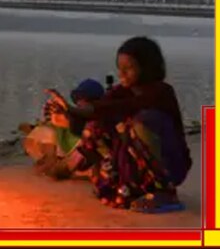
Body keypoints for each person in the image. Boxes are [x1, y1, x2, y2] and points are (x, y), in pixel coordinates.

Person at [45, 36, 192, 212]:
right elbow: (99, 111)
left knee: (141, 123)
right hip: (135, 164)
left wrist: (74, 110)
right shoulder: (121, 91)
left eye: (128, 68)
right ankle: (118, 182)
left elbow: (123, 106)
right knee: (97, 126)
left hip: (169, 165)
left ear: (146, 68)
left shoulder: (161, 93)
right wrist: (68, 113)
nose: (121, 74)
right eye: (120, 68)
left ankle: (165, 192)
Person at [24, 78, 105, 180]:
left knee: (58, 171)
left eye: (82, 100)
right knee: (57, 170)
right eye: (79, 100)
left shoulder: (96, 116)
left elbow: (84, 117)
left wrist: (66, 108)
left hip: (91, 152)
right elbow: (70, 123)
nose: (80, 103)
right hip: (83, 149)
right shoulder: (81, 117)